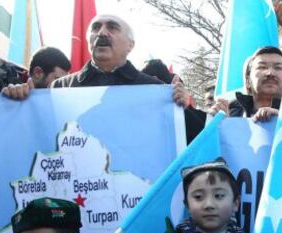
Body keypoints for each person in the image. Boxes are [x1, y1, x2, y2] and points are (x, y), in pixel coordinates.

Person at [51, 14, 205, 144]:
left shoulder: (154, 89)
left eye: (112, 27)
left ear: (130, 45)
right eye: (96, 28)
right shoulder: (61, 87)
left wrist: (184, 109)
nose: (102, 33)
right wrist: (26, 100)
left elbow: (193, 141)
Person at [209, 46, 282, 122]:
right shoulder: (229, 113)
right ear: (248, 80)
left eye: (278, 67)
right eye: (262, 67)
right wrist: (217, 123)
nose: (270, 73)